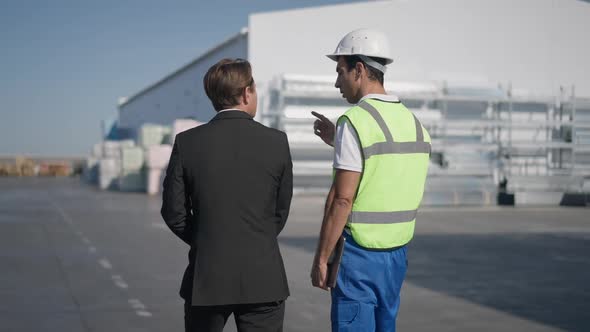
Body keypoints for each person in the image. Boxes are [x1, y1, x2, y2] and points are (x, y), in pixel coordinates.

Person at [310, 29, 431, 332]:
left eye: (341, 72)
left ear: (360, 70)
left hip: (359, 258)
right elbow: (385, 164)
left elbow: (342, 199)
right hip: (396, 256)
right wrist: (339, 142)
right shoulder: (413, 124)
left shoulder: (356, 122)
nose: (337, 82)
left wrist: (322, 257)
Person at [161, 58, 293, 332]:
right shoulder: (277, 142)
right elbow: (280, 211)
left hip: (206, 278)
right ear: (246, 92)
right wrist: (257, 237)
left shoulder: (187, 142)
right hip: (263, 278)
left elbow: (174, 213)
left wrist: (205, 239)